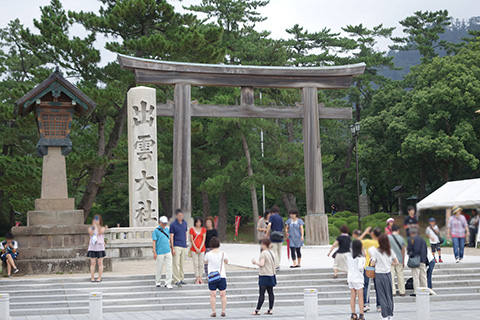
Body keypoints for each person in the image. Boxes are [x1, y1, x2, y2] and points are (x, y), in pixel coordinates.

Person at [369, 234, 399, 320]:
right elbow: (396, 262)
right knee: (389, 294)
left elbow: (373, 264)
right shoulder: (390, 251)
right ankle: (390, 314)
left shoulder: (376, 251)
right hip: (388, 274)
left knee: (382, 295)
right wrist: (389, 264)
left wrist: (372, 260)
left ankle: (385, 315)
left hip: (379, 274)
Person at [251, 239, 276, 316]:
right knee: (270, 292)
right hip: (271, 274)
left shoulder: (263, 253)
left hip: (264, 274)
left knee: (262, 293)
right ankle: (270, 309)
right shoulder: (272, 252)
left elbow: (262, 264)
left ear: (264, 245)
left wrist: (255, 263)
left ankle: (257, 310)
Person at [204, 237, 228, 318]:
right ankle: (223, 311)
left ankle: (213, 311)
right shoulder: (223, 253)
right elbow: (226, 261)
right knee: (223, 294)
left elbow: (205, 262)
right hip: (222, 276)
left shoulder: (208, 254)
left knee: (213, 295)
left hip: (212, 276)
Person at [361, 227, 380, 313]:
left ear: (372, 234)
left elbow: (357, 242)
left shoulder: (368, 242)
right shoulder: (381, 243)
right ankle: (379, 305)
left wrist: (365, 232)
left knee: (366, 286)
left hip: (368, 267)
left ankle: (366, 304)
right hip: (379, 267)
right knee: (378, 287)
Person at [152, 216, 173, 289]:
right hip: (160, 252)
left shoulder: (167, 230)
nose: (164, 225)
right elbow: (154, 242)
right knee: (159, 267)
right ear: (159, 222)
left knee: (169, 268)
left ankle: (168, 282)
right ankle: (158, 281)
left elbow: (169, 239)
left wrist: (172, 248)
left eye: (165, 223)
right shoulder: (156, 231)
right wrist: (154, 252)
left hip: (167, 250)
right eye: (163, 223)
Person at [347, 240, 366, 320]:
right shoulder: (360, 257)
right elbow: (360, 267)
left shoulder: (349, 255)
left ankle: (353, 314)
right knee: (360, 297)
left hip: (350, 277)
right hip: (358, 278)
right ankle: (361, 314)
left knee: (353, 297)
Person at [170, 208, 189, 286]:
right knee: (176, 263)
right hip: (176, 244)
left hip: (183, 244)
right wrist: (172, 247)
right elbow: (171, 236)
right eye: (179, 215)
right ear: (176, 216)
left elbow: (185, 233)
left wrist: (186, 242)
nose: (180, 216)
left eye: (181, 215)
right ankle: (176, 279)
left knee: (182, 263)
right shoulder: (173, 224)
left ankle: (181, 278)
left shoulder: (185, 223)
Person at [407, 228, 428, 296]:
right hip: (423, 260)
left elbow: (412, 250)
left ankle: (416, 291)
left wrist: (411, 255)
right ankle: (425, 289)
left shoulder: (411, 239)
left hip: (415, 260)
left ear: (411, 233)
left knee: (415, 276)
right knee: (423, 276)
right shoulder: (423, 240)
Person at [87, 214, 106, 282]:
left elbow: (100, 232)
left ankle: (99, 277)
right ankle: (92, 277)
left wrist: (97, 226)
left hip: (100, 247)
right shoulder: (90, 229)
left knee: (100, 263)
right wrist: (94, 226)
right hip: (92, 247)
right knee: (93, 263)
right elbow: (91, 234)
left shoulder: (102, 228)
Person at [388, 225, 406, 297]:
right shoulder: (401, 238)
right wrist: (403, 259)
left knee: (391, 276)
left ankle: (393, 292)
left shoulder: (388, 237)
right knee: (400, 275)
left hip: (391, 260)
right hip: (399, 259)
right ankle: (402, 291)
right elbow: (403, 250)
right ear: (398, 230)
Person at [190, 216, 207, 284]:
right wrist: (196, 248)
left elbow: (203, 239)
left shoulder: (203, 229)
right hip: (194, 249)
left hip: (202, 248)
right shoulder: (192, 229)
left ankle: (200, 277)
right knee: (196, 264)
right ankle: (197, 277)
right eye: (197, 222)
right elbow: (191, 240)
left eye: (200, 222)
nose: (198, 223)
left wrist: (200, 248)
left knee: (201, 264)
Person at [266, 206, 284, 270]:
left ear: (272, 211)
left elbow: (269, 225)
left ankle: (275, 265)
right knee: (279, 251)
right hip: (280, 236)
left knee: (274, 251)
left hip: (273, 236)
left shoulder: (271, 217)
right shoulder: (280, 218)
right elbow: (282, 227)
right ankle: (278, 264)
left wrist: (267, 233)